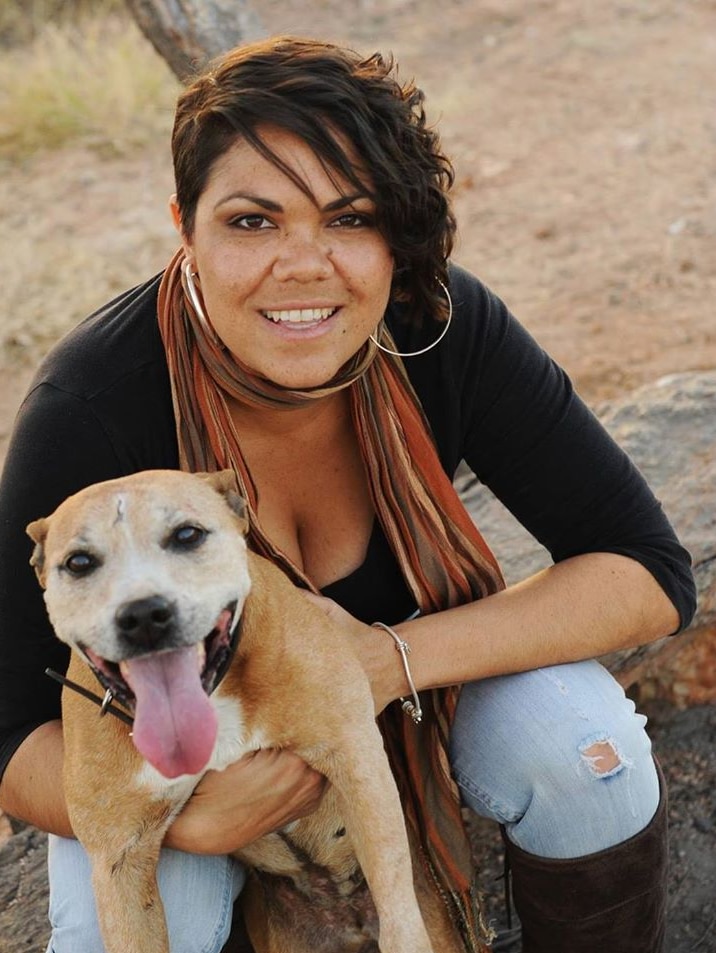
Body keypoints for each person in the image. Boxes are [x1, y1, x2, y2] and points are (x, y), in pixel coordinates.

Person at [0, 36, 695, 953]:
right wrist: (192, 812)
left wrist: (384, 661)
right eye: (252, 221)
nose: (304, 263)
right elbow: (11, 729)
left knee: (581, 751)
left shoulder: (436, 323)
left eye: (350, 217)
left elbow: (645, 571)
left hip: (408, 706)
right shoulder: (94, 408)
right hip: (176, 759)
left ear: (394, 236)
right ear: (184, 225)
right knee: (100, 926)